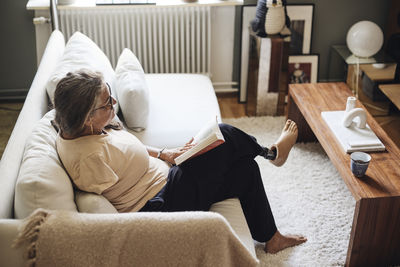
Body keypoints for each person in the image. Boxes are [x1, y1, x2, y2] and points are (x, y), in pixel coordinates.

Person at [54, 70, 306, 254]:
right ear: (87, 116)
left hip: (167, 181)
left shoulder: (88, 127)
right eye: (107, 103)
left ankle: (271, 239)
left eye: (111, 96)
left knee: (244, 168)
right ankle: (271, 153)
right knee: (223, 134)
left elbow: (125, 150)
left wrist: (166, 154)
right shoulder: (87, 158)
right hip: (160, 207)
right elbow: (111, 209)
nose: (114, 105)